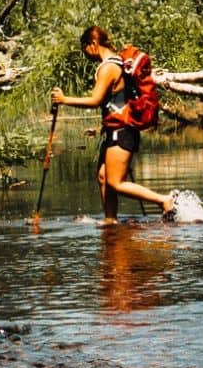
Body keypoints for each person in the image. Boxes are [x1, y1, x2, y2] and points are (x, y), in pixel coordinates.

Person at [50, 25, 176, 221]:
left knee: (116, 183)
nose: (85, 53)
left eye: (84, 47)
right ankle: (110, 221)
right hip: (116, 129)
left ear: (93, 43)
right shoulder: (117, 62)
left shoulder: (108, 67)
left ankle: (163, 201)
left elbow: (95, 100)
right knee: (103, 178)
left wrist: (64, 100)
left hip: (122, 129)